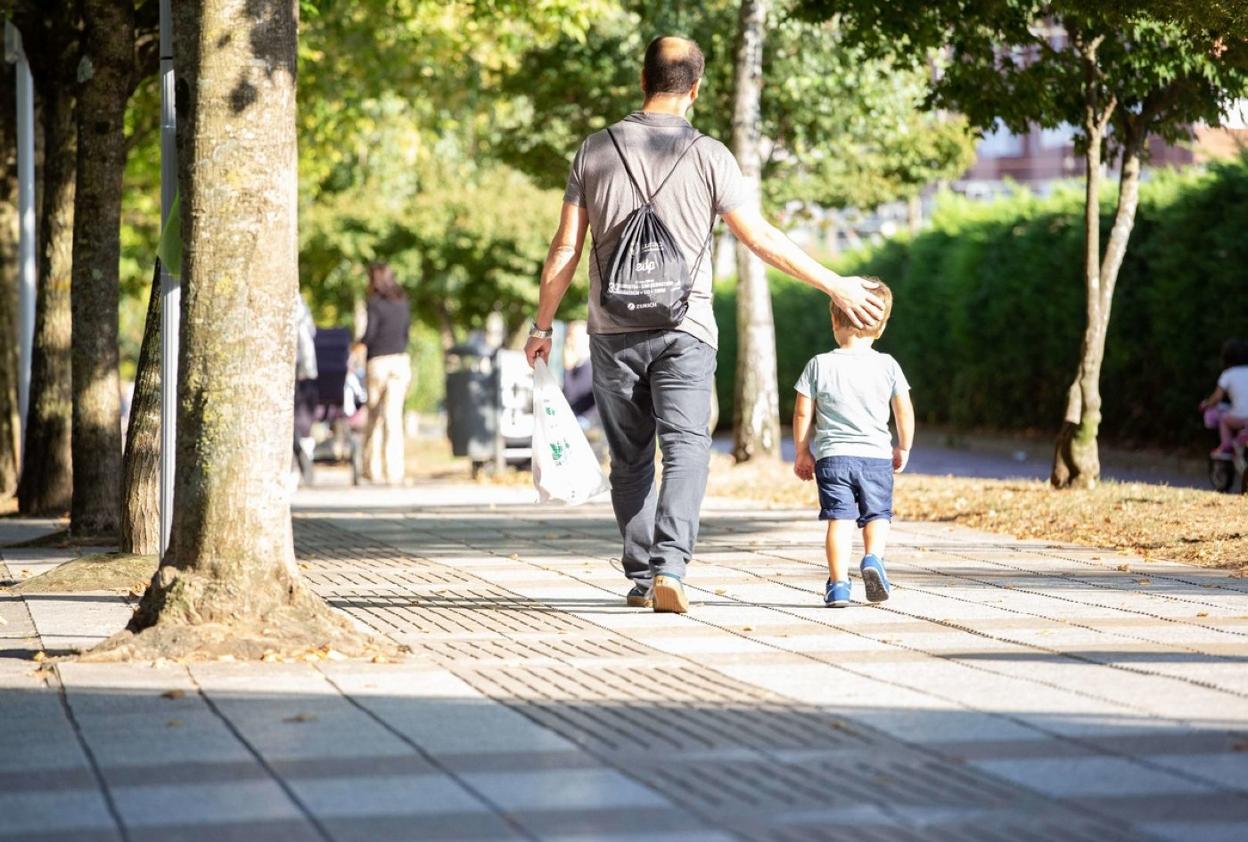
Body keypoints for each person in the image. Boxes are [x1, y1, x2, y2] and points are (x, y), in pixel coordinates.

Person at [523, 35, 884, 614]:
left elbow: (567, 245)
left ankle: (642, 575)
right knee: (687, 446)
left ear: (642, 82)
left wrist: (542, 327)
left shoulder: (594, 149)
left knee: (632, 457)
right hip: (686, 328)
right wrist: (835, 283)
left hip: (611, 331)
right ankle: (671, 567)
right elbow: (760, 239)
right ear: (695, 89)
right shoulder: (712, 155)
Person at [793, 281, 913, 607]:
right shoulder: (887, 365)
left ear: (834, 322)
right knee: (877, 516)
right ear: (881, 327)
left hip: (833, 459)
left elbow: (803, 412)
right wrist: (903, 446)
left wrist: (803, 451)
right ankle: (873, 558)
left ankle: (839, 585)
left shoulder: (819, 364)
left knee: (839, 520)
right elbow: (904, 410)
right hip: (875, 456)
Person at [360, 262, 412, 485]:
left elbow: (369, 334)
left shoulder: (374, 304)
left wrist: (358, 345)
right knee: (394, 417)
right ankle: (395, 472)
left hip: (378, 363)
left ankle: (372, 470)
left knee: (374, 417)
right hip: (400, 362)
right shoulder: (403, 303)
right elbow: (406, 332)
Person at [1200, 338, 1248, 456]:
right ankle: (1243, 437)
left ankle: (1226, 446)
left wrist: (1206, 404)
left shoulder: (1228, 374)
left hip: (1239, 417)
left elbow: (1217, 398)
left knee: (1224, 419)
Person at [293, 294, 319, 485]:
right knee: (300, 417)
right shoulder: (301, 303)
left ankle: (300, 450)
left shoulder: (296, 302)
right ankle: (302, 448)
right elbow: (310, 331)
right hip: (305, 367)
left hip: (297, 366)